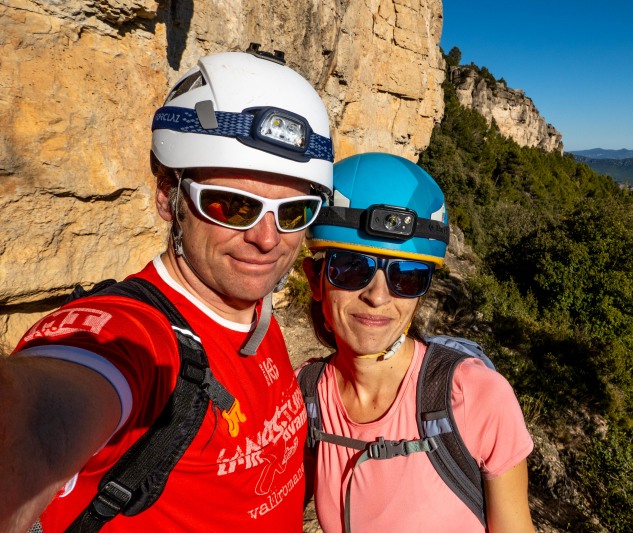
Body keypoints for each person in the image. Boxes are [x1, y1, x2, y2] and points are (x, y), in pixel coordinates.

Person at [0, 45, 333, 532]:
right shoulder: (132, 338)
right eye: (232, 206)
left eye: (294, 212)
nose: (266, 239)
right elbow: (38, 419)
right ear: (167, 195)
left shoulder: (254, 311)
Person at [298, 152, 536, 533]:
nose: (378, 296)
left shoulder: (474, 396)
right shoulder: (304, 397)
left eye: (406, 276)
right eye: (351, 267)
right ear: (316, 278)